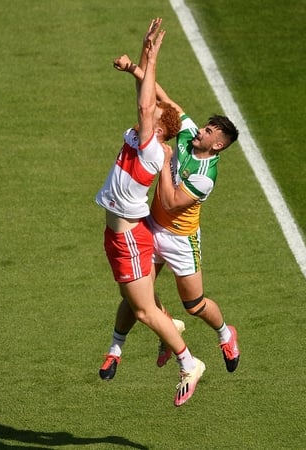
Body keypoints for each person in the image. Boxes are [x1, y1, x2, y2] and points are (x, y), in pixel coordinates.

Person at [106, 53, 242, 375]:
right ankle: (116, 349)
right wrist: (134, 70)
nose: (201, 131)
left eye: (209, 132)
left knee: (193, 304)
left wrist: (166, 161)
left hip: (181, 239)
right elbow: (163, 100)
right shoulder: (188, 131)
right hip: (152, 227)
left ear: (218, 146)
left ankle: (225, 334)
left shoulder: (204, 176)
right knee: (138, 295)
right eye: (205, 126)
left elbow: (169, 201)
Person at [95, 18, 205, 407]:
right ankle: (133, 340)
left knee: (142, 309)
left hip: (129, 237)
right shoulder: (146, 137)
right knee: (135, 302)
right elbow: (144, 98)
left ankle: (188, 362)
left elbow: (146, 102)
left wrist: (152, 56)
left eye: (155, 115)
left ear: (160, 128)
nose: (147, 112)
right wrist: (138, 60)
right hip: (120, 234)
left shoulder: (152, 148)